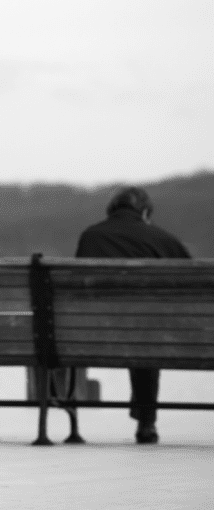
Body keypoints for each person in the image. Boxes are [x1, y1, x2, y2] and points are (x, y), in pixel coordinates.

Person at [76, 186, 191, 444]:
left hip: (84, 335)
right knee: (145, 333)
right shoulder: (164, 240)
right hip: (150, 337)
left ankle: (68, 417)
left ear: (112, 210)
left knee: (140, 329)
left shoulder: (90, 237)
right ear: (146, 212)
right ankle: (146, 423)